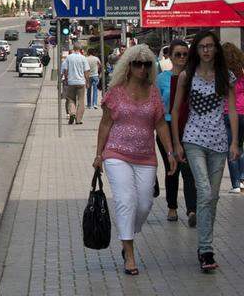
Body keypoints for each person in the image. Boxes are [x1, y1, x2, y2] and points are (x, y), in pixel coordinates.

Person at [93, 43, 176, 276]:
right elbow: (105, 123)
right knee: (125, 200)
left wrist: (169, 152)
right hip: (116, 154)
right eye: (137, 64)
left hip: (146, 156)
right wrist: (99, 154)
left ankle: (128, 229)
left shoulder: (154, 92)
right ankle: (128, 253)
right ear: (128, 66)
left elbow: (160, 123)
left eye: (146, 64)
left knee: (144, 204)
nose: (142, 68)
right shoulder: (116, 92)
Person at [170, 30, 240, 272]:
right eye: (202, 47)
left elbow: (231, 109)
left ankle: (204, 247)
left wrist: (234, 142)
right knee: (204, 191)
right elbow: (176, 110)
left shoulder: (226, 76)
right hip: (193, 140)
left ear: (216, 49)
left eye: (210, 46)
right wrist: (177, 144)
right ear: (196, 50)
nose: (207, 50)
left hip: (219, 143)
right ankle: (206, 249)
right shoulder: (187, 76)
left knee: (214, 196)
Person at [156, 38, 197, 225]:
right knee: (172, 169)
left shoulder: (194, 76)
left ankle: (192, 210)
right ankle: (172, 207)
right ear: (170, 57)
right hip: (165, 129)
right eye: (177, 54)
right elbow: (156, 106)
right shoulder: (161, 79)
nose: (181, 58)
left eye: (184, 54)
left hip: (188, 129)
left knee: (189, 170)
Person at [221, 42, 244, 194]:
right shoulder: (242, 71)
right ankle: (243, 178)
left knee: (232, 147)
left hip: (227, 112)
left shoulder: (222, 73)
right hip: (243, 111)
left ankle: (236, 184)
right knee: (241, 146)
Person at [61, 45, 91, 125]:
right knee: (81, 101)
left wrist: (66, 79)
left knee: (71, 99)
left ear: (73, 49)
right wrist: (87, 82)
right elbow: (86, 72)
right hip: (81, 82)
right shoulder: (83, 58)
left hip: (71, 82)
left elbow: (65, 70)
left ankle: (72, 113)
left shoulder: (69, 57)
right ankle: (78, 120)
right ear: (80, 49)